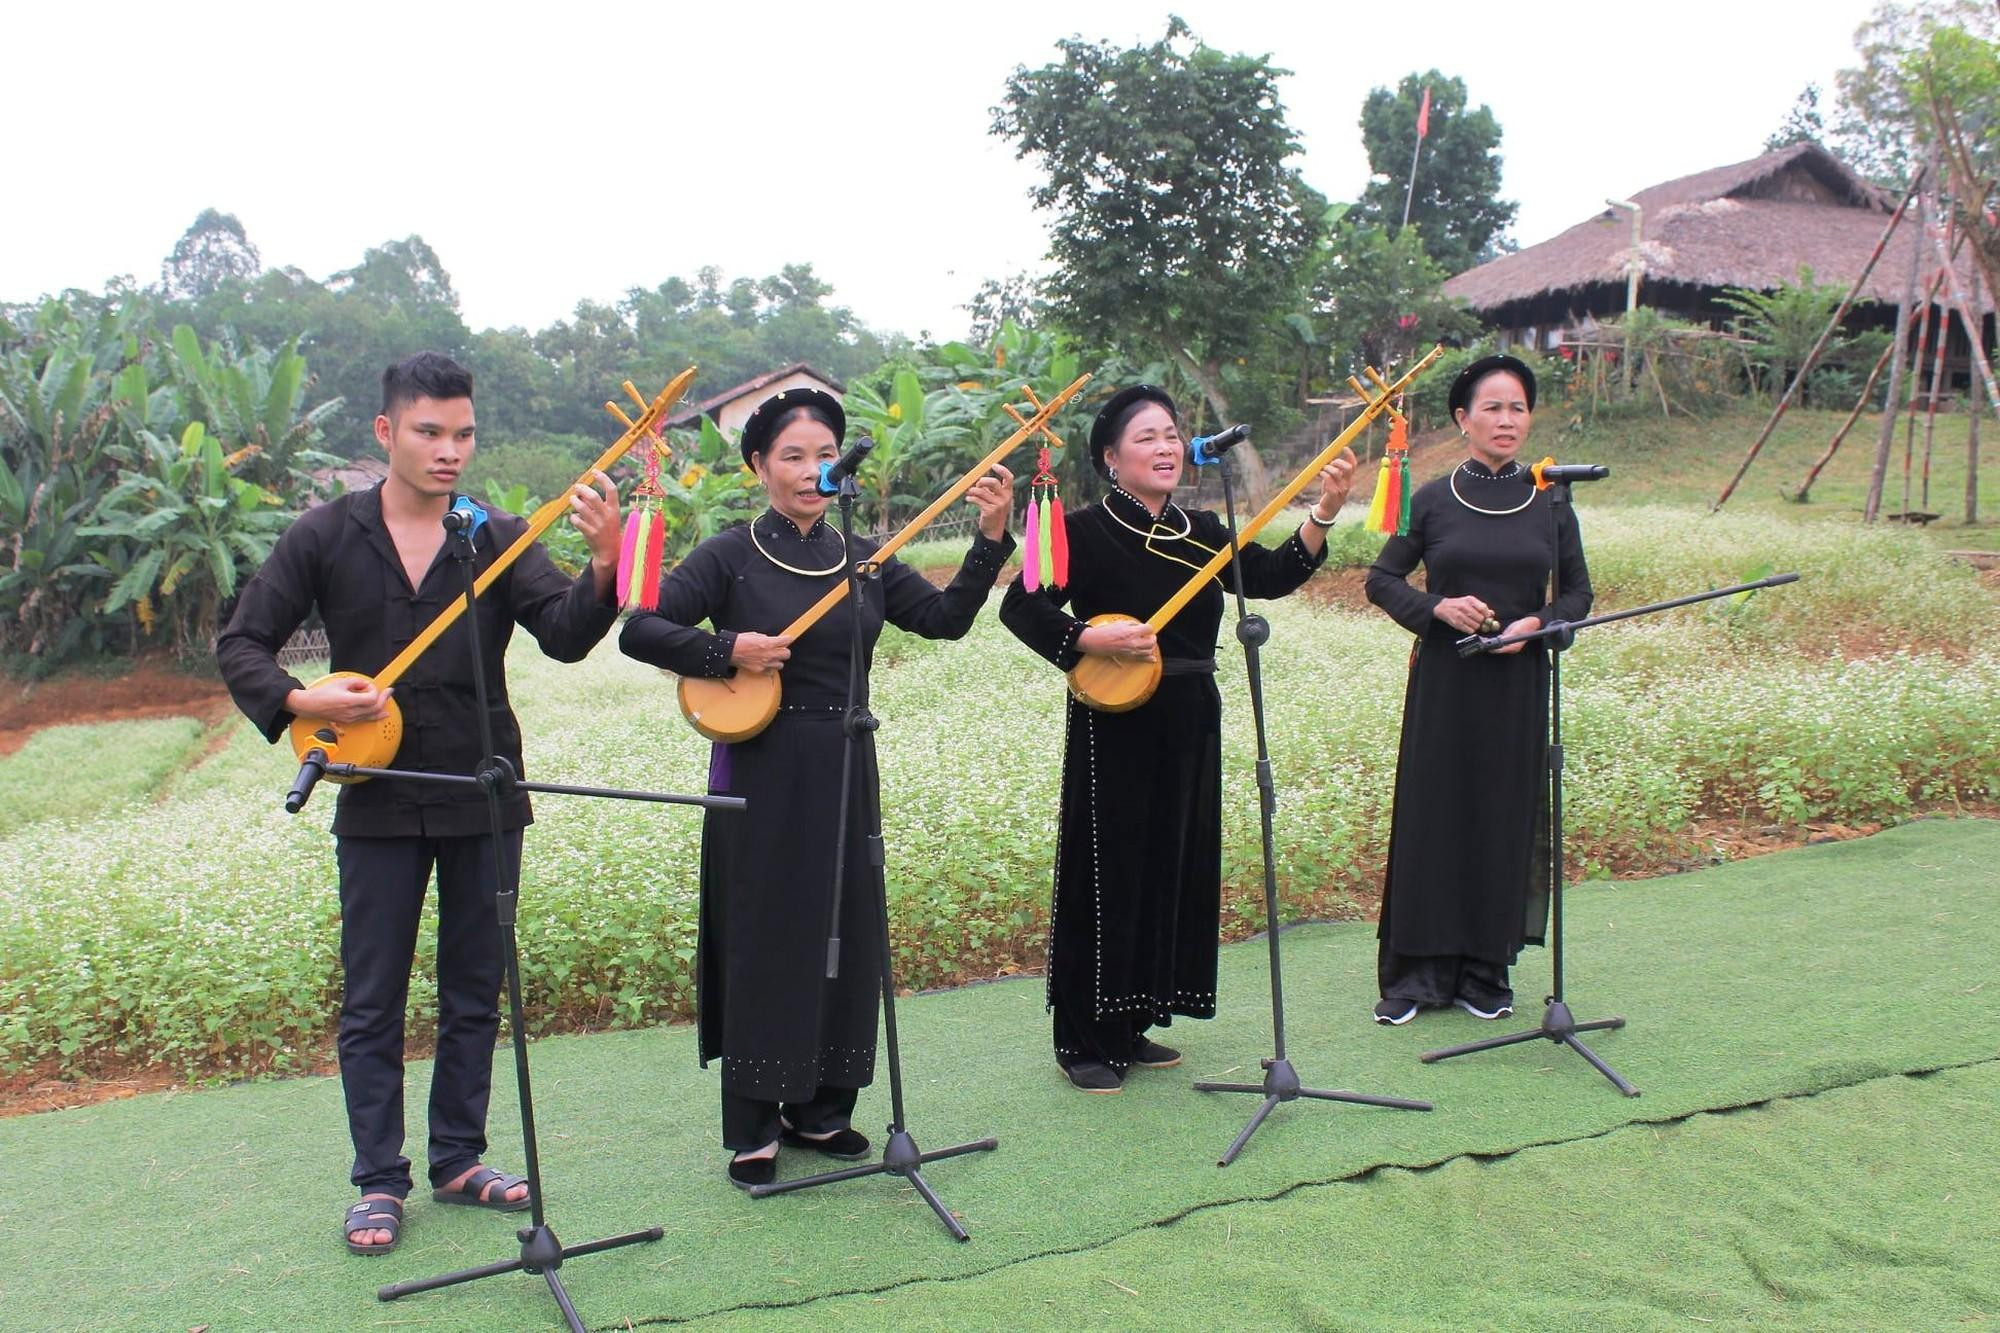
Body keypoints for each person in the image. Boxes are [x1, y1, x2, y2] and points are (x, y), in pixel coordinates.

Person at [215, 352, 625, 1255]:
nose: (450, 451)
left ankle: (458, 1156)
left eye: (463, 433)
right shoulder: (325, 534)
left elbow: (562, 634)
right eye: (430, 432)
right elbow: (242, 641)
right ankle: (377, 1179)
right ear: (386, 432)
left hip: (485, 788)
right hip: (376, 795)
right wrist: (302, 700)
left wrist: (603, 564)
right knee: (374, 994)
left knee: (476, 986)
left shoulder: (494, 533)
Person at [619, 387, 1016, 1188]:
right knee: (769, 932)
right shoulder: (730, 554)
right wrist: (731, 648)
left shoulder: (863, 555)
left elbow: (944, 619)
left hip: (845, 756)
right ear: (759, 465)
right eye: (793, 456)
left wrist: (989, 540)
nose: (811, 469)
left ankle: (823, 1108)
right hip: (762, 764)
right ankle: (755, 1125)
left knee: (845, 926)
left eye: (824, 454)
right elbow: (640, 627)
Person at [998, 385, 1356, 1093]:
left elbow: (1271, 576)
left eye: (1171, 434)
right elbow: (1021, 606)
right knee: (1108, 872)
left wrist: (1323, 513)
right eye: (1147, 438)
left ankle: (1133, 1021)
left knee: (1169, 865)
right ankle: (1082, 1035)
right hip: (1116, 715)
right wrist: (1085, 635)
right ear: (1110, 458)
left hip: (1192, 711)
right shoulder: (1080, 528)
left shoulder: (1202, 528)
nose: (1165, 447)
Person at [1363, 354, 1593, 1026]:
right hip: (1445, 685)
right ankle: (1415, 976)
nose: (1506, 419)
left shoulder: (1551, 500)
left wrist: (1540, 623)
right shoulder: (1431, 499)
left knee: (1501, 816)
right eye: (1491, 407)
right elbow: (1382, 580)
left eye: (1517, 407)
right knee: (1434, 818)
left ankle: (1484, 971)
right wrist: (1437, 607)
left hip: (1517, 686)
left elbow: (1578, 592)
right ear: (1463, 419)